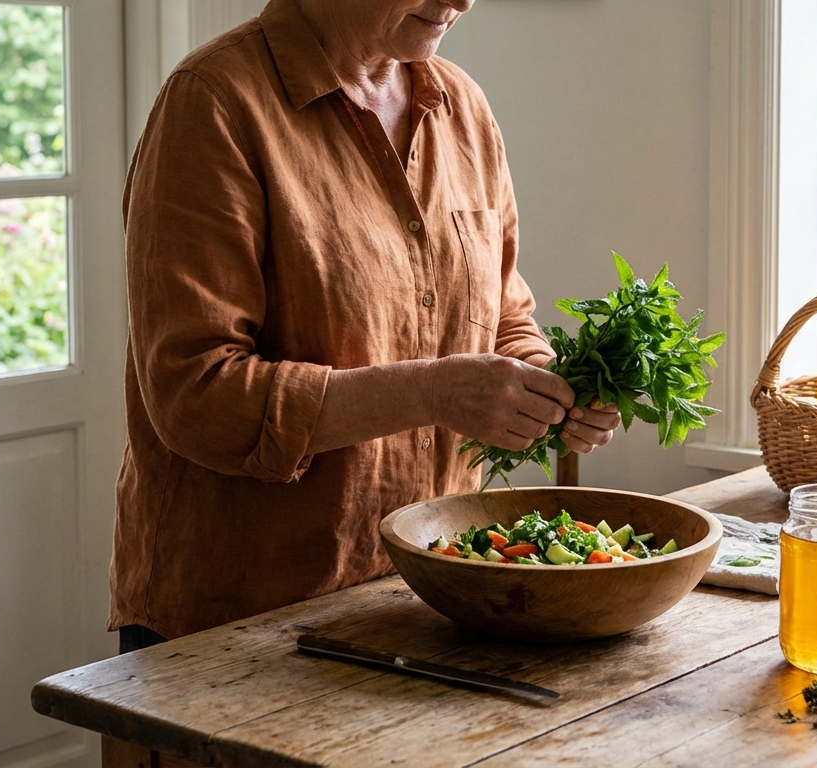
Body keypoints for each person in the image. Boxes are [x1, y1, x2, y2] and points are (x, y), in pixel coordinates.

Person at [109, 0, 621, 653]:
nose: (461, 1)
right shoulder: (213, 104)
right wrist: (432, 394)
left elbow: (504, 315)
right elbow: (194, 397)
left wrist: (545, 389)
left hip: (429, 593)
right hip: (237, 627)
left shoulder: (461, 105)